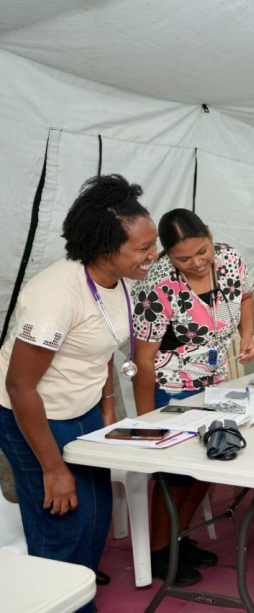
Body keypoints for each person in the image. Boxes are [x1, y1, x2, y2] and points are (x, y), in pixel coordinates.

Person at [0, 174, 158, 612]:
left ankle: (77, 594)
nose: (153, 255)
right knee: (63, 518)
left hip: (84, 409)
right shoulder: (55, 295)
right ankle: (57, 601)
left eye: (153, 243)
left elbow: (102, 344)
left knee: (95, 516)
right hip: (30, 414)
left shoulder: (120, 281)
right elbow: (20, 385)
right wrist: (52, 468)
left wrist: (107, 407)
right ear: (105, 249)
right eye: (143, 249)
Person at [131, 208, 254, 586]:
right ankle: (157, 554)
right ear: (168, 255)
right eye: (184, 258)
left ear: (210, 235)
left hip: (215, 383)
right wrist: (145, 424)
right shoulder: (158, 283)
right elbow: (142, 358)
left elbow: (246, 297)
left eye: (202, 251)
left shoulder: (230, 258)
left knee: (205, 466)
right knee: (174, 476)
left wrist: (247, 335)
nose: (197, 263)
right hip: (171, 388)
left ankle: (178, 539)